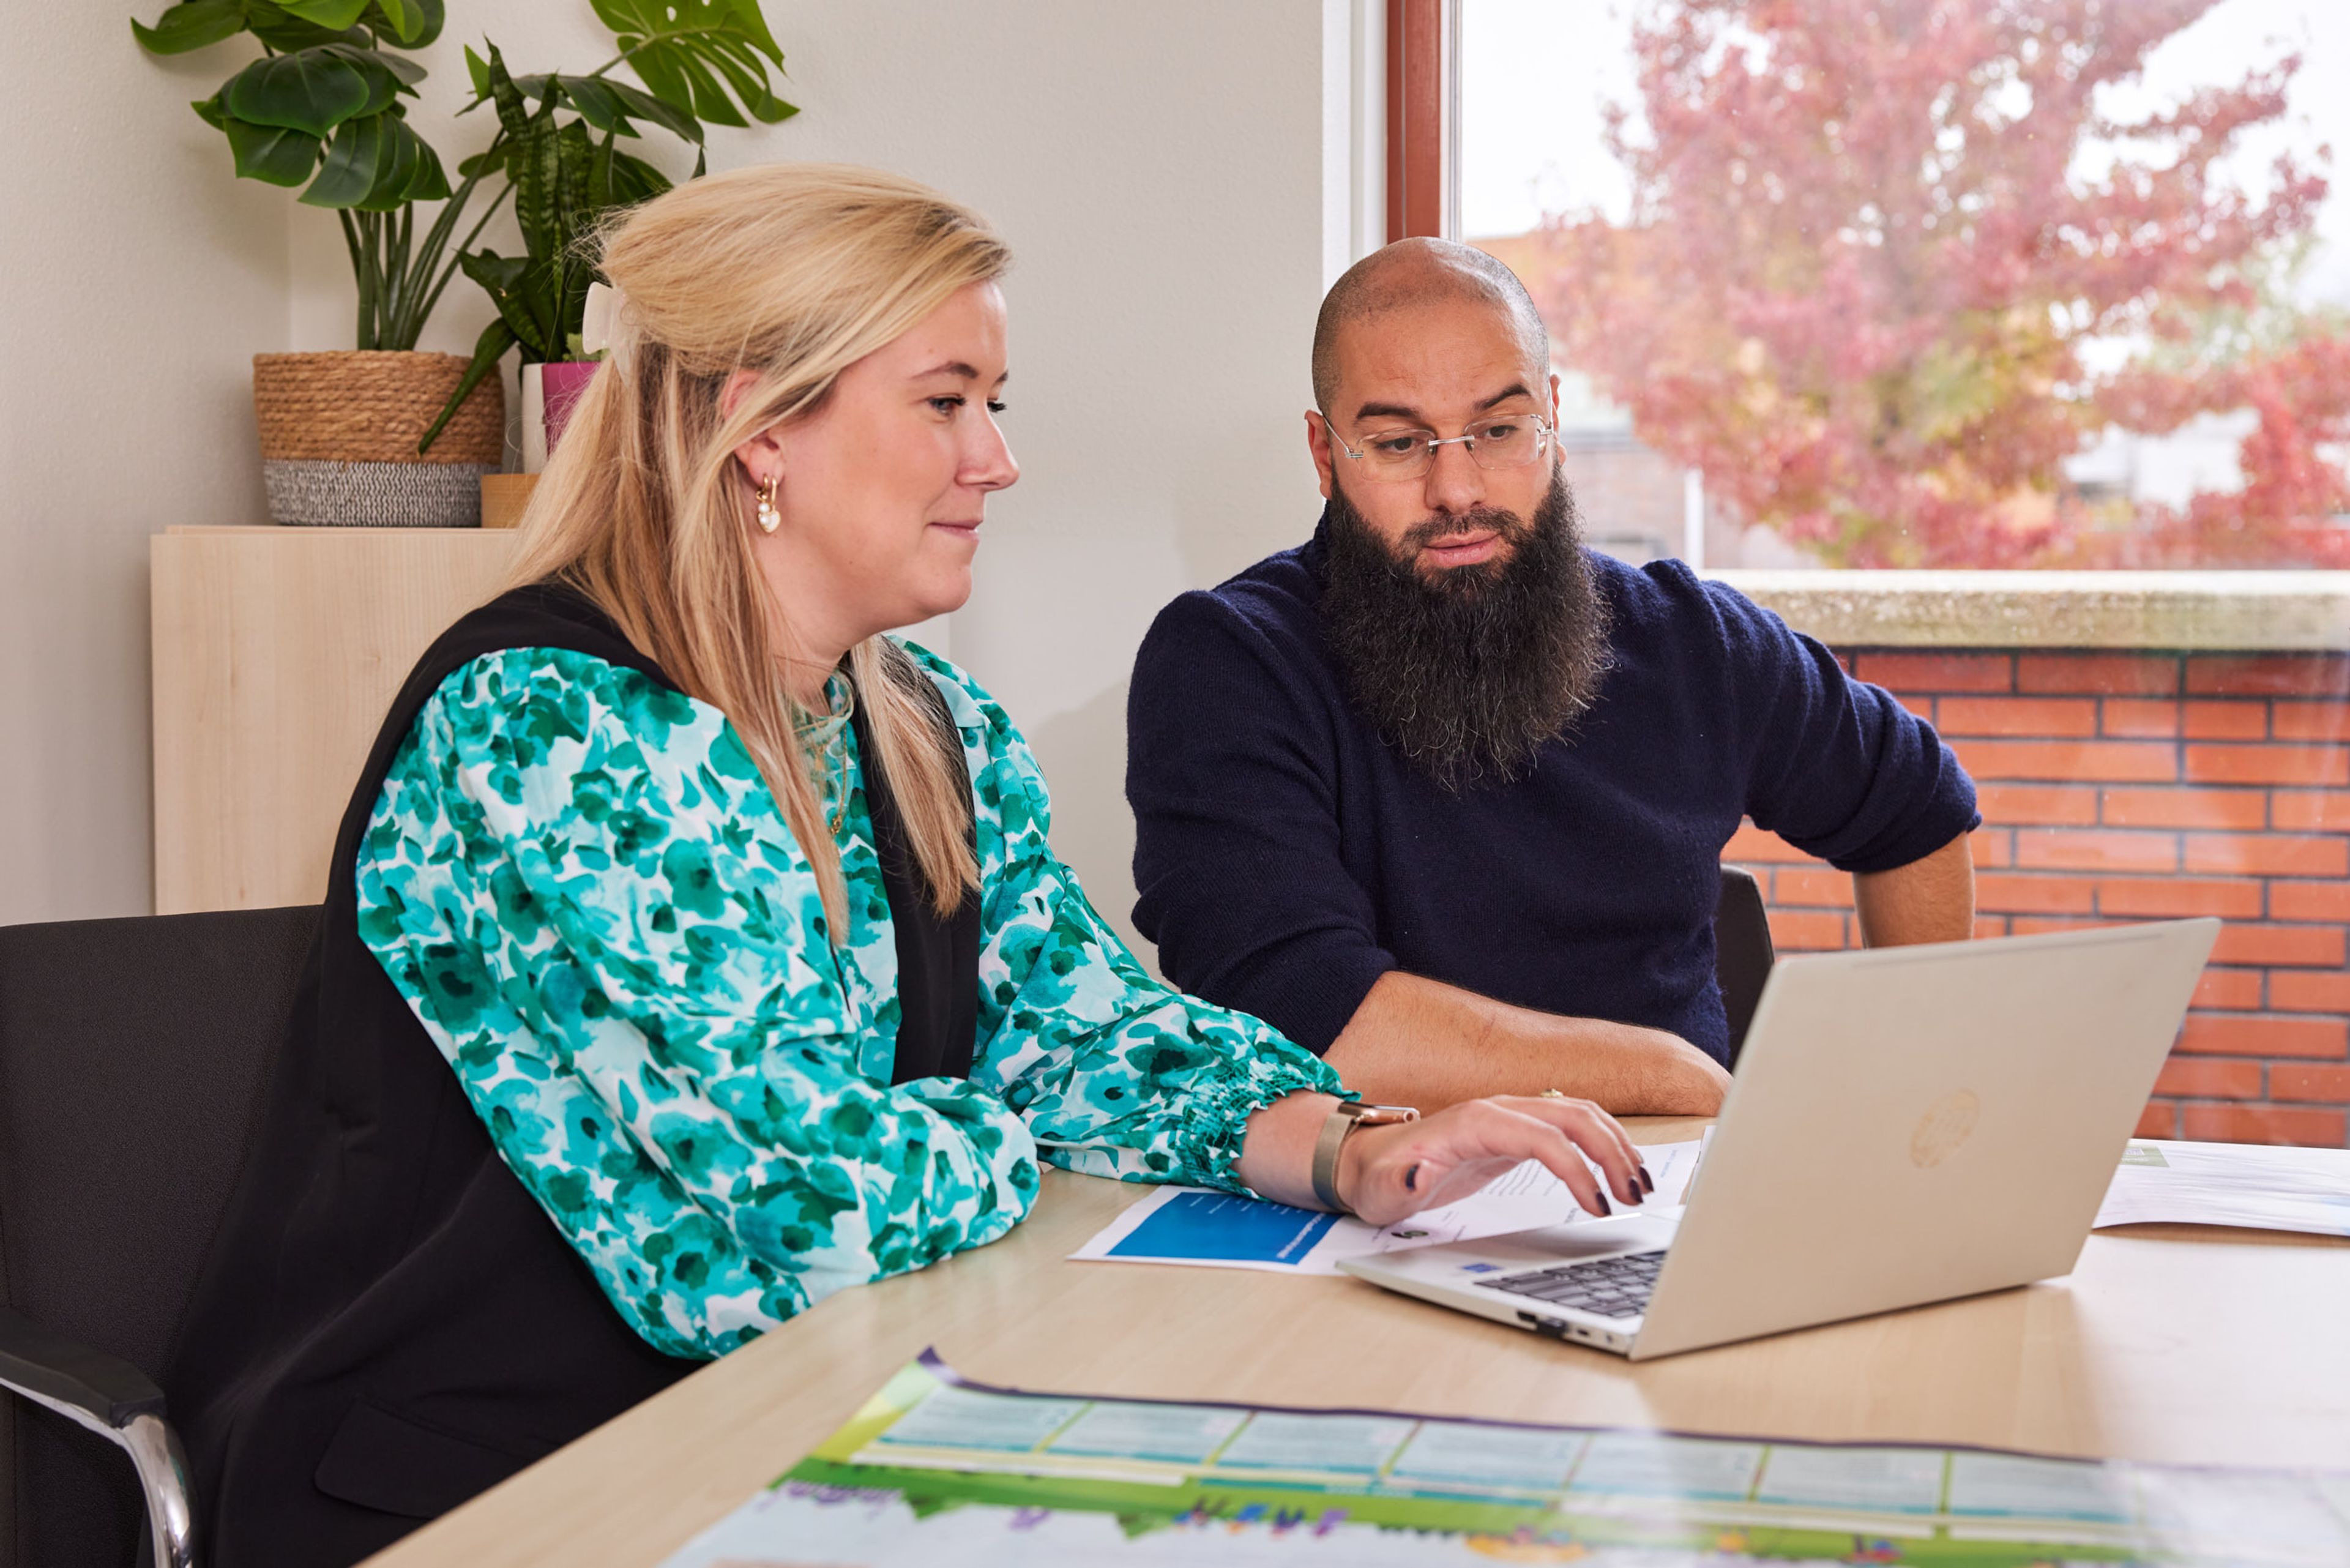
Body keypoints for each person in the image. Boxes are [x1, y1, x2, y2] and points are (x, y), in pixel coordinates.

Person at [165, 170, 1654, 1567]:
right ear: (761, 427)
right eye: (947, 403)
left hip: (789, 1424)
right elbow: (797, 1219)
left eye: (992, 402)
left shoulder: (925, 726)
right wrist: (993, 1121)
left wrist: (1354, 1146)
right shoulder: (550, 730)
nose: (997, 458)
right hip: (480, 1481)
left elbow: (1083, 1035)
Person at [1125, 238, 1979, 1117]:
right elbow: (1306, 1018)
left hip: (1676, 1209)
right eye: (1396, 442)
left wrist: (1915, 1093)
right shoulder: (1226, 665)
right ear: (1324, 452)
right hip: (1375, 1214)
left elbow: (1916, 807)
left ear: (1554, 420)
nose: (1456, 488)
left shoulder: (1690, 641)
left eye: (1498, 429)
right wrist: (1668, 1075)